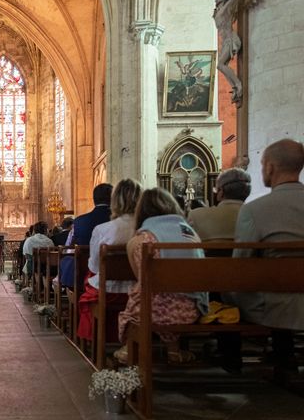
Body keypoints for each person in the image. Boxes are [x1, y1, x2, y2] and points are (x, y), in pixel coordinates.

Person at [222, 139, 304, 372]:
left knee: (226, 289)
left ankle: (231, 359)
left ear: (270, 168)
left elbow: (241, 265)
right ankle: (283, 352)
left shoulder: (255, 209)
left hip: (272, 306)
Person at [116, 188, 209, 364]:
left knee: (141, 294)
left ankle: (130, 348)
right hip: (191, 310)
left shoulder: (141, 241)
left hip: (152, 313)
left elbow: (141, 279)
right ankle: (174, 350)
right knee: (170, 296)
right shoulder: (190, 234)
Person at [77, 179, 142, 342]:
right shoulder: (148, 229)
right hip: (140, 292)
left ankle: (101, 335)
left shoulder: (102, 229)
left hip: (109, 292)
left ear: (115, 201)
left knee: (90, 279)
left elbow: (94, 266)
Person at [60, 184, 113, 288]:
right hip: (117, 273)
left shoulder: (79, 221)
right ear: (113, 198)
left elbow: (70, 247)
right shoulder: (119, 220)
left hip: (85, 272)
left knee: (67, 261)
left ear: (94, 199)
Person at [187, 167, 251, 242]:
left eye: (216, 189)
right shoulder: (257, 216)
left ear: (221, 191)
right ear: (248, 192)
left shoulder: (196, 216)